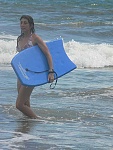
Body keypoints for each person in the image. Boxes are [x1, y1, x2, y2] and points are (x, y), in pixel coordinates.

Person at [16, 15, 54, 119]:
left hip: (31, 74)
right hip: (21, 74)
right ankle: (27, 125)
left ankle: (38, 120)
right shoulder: (19, 39)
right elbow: (20, 57)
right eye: (21, 22)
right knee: (25, 102)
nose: (22, 25)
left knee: (19, 105)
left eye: (25, 23)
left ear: (31, 25)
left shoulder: (35, 38)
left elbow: (47, 54)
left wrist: (51, 71)